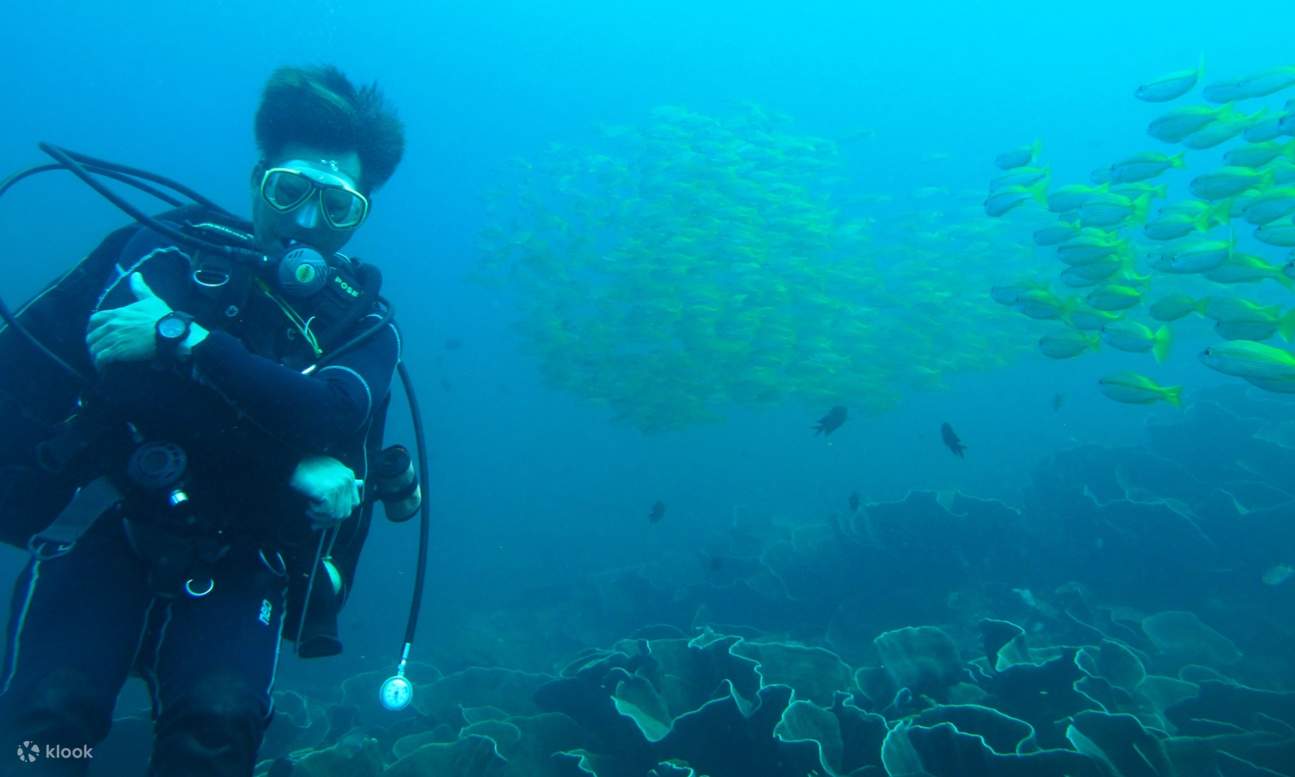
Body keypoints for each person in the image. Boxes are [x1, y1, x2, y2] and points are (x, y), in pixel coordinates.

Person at [0, 65, 406, 776]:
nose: (308, 222)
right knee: (47, 725)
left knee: (214, 731)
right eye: (290, 191)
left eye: (338, 207)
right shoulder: (169, 249)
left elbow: (332, 409)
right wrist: (290, 459)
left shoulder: (361, 322)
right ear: (257, 180)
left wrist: (182, 339)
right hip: (106, 523)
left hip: (243, 554)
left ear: (362, 212)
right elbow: (127, 387)